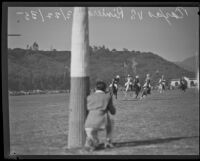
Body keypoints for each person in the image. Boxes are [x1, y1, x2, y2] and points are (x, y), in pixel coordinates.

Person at [84, 80, 116, 151]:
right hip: (101, 123)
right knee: (112, 121)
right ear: (105, 88)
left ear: (95, 88)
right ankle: (108, 141)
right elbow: (113, 112)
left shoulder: (89, 97)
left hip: (88, 124)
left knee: (93, 137)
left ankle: (91, 141)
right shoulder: (107, 97)